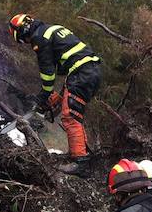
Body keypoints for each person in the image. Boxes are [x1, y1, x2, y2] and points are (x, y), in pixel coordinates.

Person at [9, 14, 101, 177]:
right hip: (89, 71)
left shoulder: (40, 38)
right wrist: (55, 99)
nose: (27, 42)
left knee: (70, 116)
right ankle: (82, 153)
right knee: (73, 112)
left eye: (23, 40)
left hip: (81, 73)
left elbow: (48, 72)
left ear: (22, 33)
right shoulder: (52, 29)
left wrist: (44, 95)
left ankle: (81, 162)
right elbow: (63, 65)